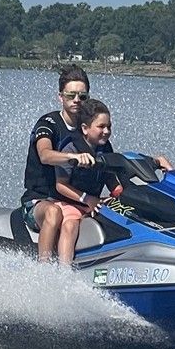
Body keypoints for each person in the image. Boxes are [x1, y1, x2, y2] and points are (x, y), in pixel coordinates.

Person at [21, 65, 95, 262]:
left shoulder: (88, 128)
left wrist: (154, 161)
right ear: (60, 97)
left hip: (72, 201)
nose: (77, 100)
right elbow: (45, 155)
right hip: (39, 200)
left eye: (82, 96)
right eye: (71, 95)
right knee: (54, 212)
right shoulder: (48, 124)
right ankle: (44, 269)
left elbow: (109, 157)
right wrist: (74, 157)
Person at [53, 98, 116, 265]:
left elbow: (111, 178)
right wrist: (87, 199)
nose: (107, 131)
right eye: (101, 127)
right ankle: (64, 271)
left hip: (93, 203)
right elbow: (60, 185)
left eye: (109, 126)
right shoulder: (71, 149)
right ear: (85, 129)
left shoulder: (106, 148)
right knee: (70, 226)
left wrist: (119, 194)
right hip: (70, 203)